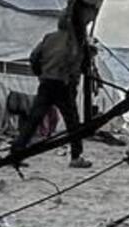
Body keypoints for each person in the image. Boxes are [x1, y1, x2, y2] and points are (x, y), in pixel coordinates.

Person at [7, 21, 91, 166]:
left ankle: (16, 154)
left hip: (46, 82)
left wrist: (41, 73)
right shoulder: (76, 41)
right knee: (73, 123)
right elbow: (81, 64)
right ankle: (76, 157)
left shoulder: (49, 38)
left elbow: (34, 57)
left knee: (33, 120)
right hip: (64, 85)